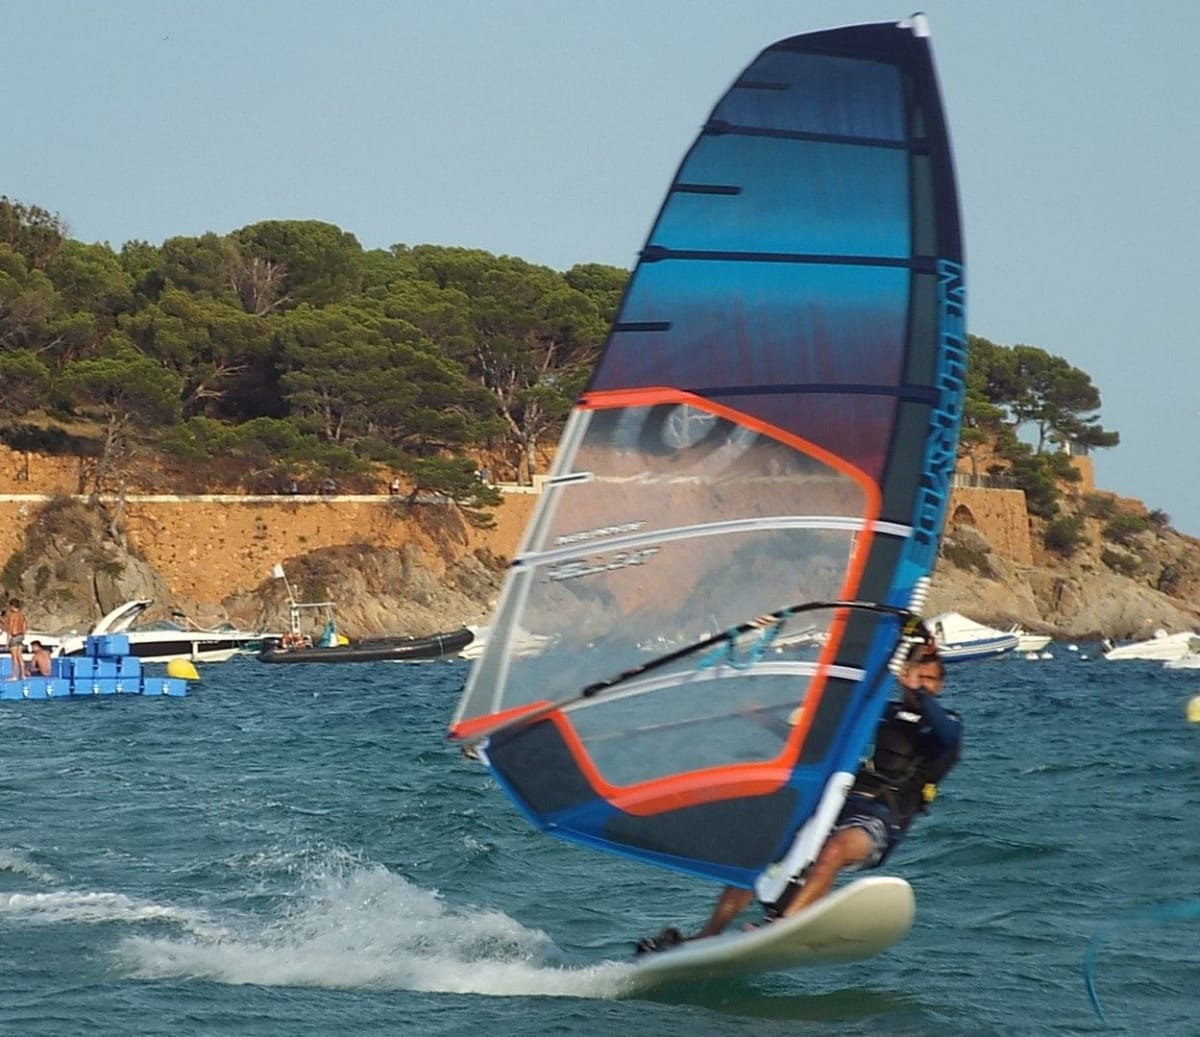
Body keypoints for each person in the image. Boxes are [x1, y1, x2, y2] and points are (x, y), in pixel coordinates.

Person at [637, 636, 961, 952]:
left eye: (931, 680)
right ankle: (707, 935)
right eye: (919, 677)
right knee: (762, 850)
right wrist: (764, 719)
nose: (924, 684)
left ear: (940, 686)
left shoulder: (947, 724)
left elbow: (944, 731)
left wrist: (917, 688)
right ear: (903, 678)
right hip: (839, 806)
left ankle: (784, 924)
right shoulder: (882, 713)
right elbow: (817, 741)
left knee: (834, 851)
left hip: (881, 820)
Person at [5, 598, 29, 680]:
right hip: (21, 636)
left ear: (12, 606)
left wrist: (8, 640)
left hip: (14, 636)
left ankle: (14, 676)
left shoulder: (12, 615)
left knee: (14, 657)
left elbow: (10, 628)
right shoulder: (22, 615)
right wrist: (23, 635)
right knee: (20, 657)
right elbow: (25, 626)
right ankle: (23, 675)